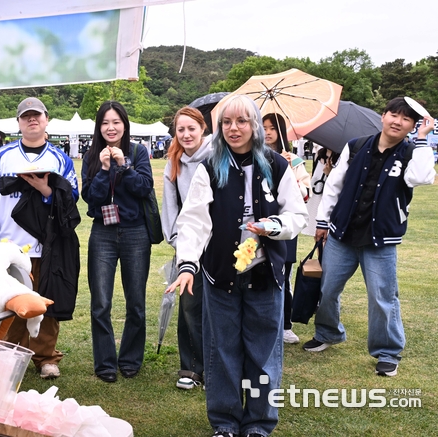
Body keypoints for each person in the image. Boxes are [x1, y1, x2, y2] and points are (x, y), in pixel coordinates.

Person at [166, 94, 307, 437]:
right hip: (220, 276)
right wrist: (187, 264)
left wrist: (272, 226)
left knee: (263, 355)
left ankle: (258, 423)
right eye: (227, 122)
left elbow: (296, 215)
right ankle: (226, 422)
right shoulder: (210, 168)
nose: (233, 128)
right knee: (222, 352)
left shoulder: (276, 165)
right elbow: (195, 220)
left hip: (264, 274)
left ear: (255, 125)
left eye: (242, 121)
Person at [303, 97, 436, 378]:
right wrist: (323, 221)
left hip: (381, 239)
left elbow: (422, 178)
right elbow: (334, 185)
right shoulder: (356, 146)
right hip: (342, 233)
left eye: (406, 119)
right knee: (328, 289)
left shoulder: (411, 152)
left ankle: (387, 352)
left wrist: (423, 139)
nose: (397, 121)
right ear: (383, 116)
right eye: (394, 114)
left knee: (383, 297)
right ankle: (328, 333)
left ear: (413, 126)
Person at [0, 97, 79, 380]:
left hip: (47, 245)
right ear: (18, 123)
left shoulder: (60, 158)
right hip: (10, 246)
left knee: (46, 303)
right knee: (9, 302)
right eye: (26, 117)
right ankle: (7, 354)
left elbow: (72, 198)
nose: (32, 120)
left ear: (47, 120)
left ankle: (46, 357)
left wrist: (47, 190)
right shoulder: (1, 157)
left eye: (37, 116)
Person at [81, 101, 154, 383]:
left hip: (136, 233)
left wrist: (123, 166)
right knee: (101, 302)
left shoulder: (138, 152)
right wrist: (102, 168)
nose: (111, 128)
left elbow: (144, 188)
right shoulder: (91, 155)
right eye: (105, 123)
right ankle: (106, 363)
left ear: (125, 124)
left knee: (136, 301)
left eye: (116, 122)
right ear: (99, 127)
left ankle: (130, 359)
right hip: (103, 234)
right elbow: (91, 197)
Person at [161, 107, 212, 390]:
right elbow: (170, 205)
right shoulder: (174, 160)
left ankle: (217, 367)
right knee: (190, 304)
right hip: (189, 243)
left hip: (220, 242)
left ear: (202, 128)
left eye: (191, 128)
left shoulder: (220, 154)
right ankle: (191, 368)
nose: (186, 134)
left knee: (220, 305)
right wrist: (178, 242)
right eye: (181, 129)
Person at [262, 112, 311, 345]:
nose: (267, 132)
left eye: (272, 127)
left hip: (285, 225)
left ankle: (285, 324)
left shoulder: (294, 161)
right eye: (263, 127)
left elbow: (305, 194)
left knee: (284, 274)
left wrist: (290, 172)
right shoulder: (252, 157)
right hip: (260, 223)